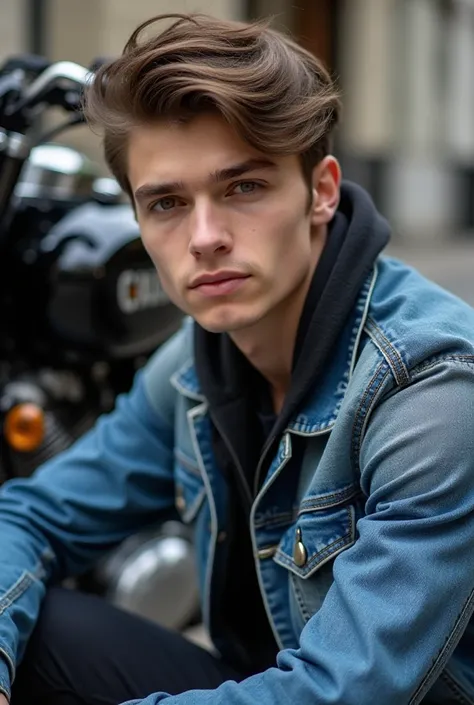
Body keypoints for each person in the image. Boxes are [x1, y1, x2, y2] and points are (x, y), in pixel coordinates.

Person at [1, 12, 474, 705]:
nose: (204, 237)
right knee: (34, 626)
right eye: (165, 202)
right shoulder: (197, 363)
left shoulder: (431, 391)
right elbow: (32, 513)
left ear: (321, 189)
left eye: (242, 187)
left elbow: (346, 693)